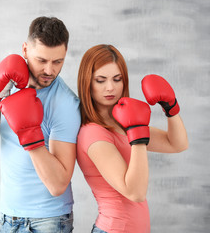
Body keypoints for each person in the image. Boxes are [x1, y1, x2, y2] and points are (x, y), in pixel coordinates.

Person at [0, 16, 81, 233]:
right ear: (25, 50)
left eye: (58, 62)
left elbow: (58, 185)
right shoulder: (9, 82)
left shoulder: (66, 104)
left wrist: (29, 133)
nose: (49, 70)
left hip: (48, 221)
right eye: (42, 60)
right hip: (7, 217)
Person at [76, 44, 188, 233]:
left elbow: (177, 144)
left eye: (117, 79)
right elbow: (135, 192)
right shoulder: (93, 134)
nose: (110, 87)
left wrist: (171, 108)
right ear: (87, 83)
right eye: (100, 80)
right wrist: (137, 133)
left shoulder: (123, 124)